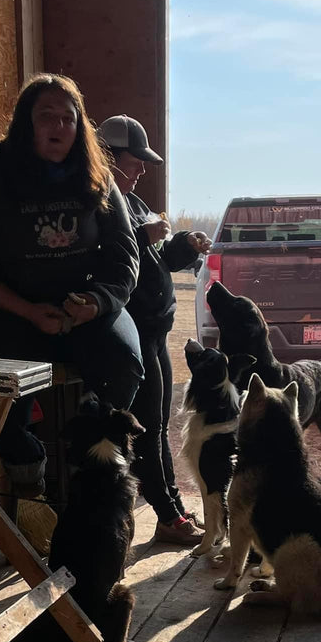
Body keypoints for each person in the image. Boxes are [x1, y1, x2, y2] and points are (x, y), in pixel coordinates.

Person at [0, 75, 144, 496]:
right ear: (26, 122)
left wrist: (96, 303)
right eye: (46, 116)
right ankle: (27, 475)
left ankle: (98, 476)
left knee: (126, 361)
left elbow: (124, 256)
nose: (58, 127)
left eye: (68, 118)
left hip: (85, 307)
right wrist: (26, 310)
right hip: (14, 311)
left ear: (79, 126)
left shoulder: (97, 174)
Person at [98, 115, 212, 545]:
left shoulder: (134, 203)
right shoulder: (98, 204)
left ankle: (173, 507)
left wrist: (184, 245)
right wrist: (143, 237)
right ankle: (167, 514)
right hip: (134, 330)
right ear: (110, 158)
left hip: (156, 330)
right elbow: (101, 256)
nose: (142, 170)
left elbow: (160, 258)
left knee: (158, 423)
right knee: (148, 425)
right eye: (135, 161)